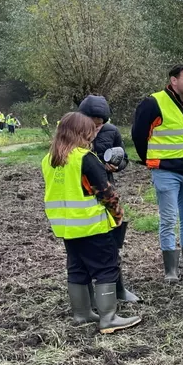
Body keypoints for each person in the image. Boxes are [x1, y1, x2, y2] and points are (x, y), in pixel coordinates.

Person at [41, 112, 141, 334]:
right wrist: (117, 215)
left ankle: (82, 314)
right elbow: (106, 192)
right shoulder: (85, 158)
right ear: (81, 133)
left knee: (77, 269)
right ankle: (108, 318)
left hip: (66, 227)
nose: (93, 135)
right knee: (107, 267)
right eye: (90, 131)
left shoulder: (49, 160)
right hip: (92, 226)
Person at [132, 64, 183, 282]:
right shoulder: (153, 103)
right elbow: (138, 134)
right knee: (168, 219)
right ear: (174, 81)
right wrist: (149, 160)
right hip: (165, 171)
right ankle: (171, 270)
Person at [78, 95, 140, 304]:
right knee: (84, 245)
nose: (97, 129)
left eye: (100, 125)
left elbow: (124, 159)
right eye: (93, 125)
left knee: (112, 242)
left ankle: (119, 289)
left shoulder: (111, 132)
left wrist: (117, 165)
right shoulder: (72, 132)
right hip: (81, 193)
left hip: (106, 189)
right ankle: (89, 295)